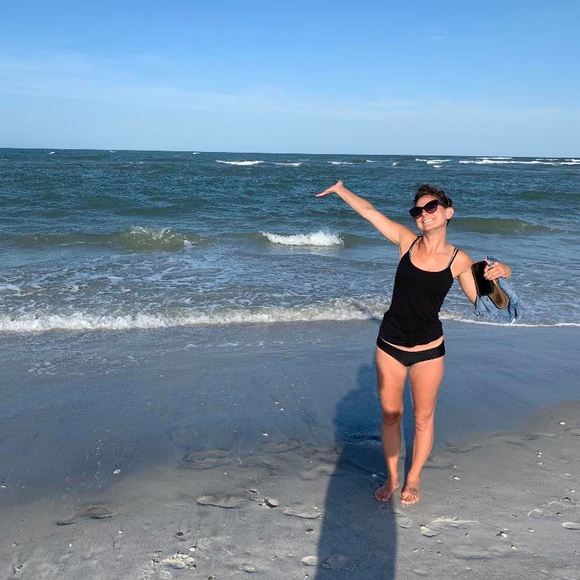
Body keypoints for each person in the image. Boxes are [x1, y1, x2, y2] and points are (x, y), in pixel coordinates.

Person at [315, 181, 512, 505]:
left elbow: (483, 300)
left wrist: (504, 271)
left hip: (428, 350)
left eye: (431, 207)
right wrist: (341, 190)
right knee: (391, 415)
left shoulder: (459, 260)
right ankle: (392, 477)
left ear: (448, 213)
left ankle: (414, 478)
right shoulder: (406, 242)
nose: (423, 214)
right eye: (417, 211)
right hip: (390, 344)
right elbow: (370, 212)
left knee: (422, 418)